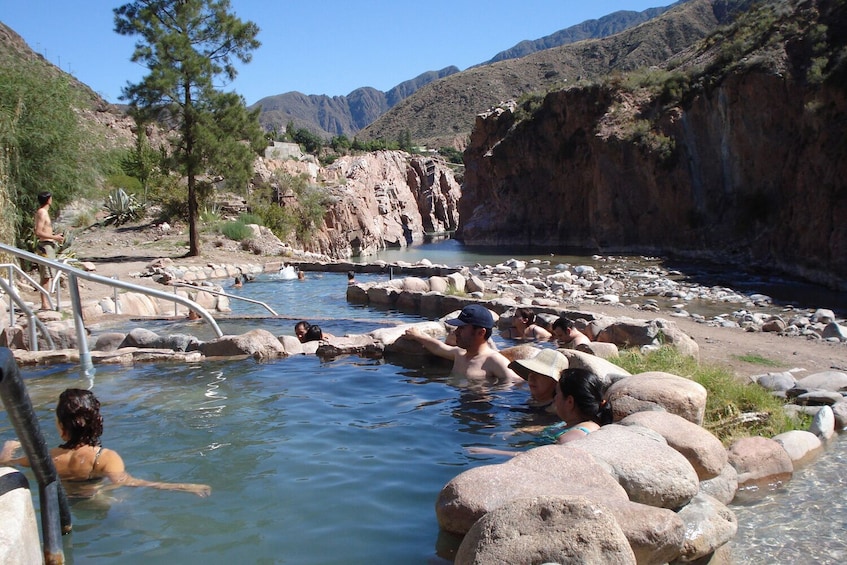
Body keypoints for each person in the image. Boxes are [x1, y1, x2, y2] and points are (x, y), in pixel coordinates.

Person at [0, 388, 210, 497]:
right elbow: (129, 482)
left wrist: (9, 447)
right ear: (97, 423)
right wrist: (184, 486)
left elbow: (5, 463)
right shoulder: (105, 458)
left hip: (65, 503)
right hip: (96, 500)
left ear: (62, 429)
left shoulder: (48, 457)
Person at [467, 367, 613, 456]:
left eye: (557, 394)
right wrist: (519, 431)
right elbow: (556, 428)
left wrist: (491, 452)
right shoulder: (579, 421)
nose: (554, 399)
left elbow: (537, 459)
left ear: (569, 402)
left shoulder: (572, 438)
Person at [404, 304, 521, 383]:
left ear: (480, 332)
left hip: (479, 414)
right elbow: (438, 347)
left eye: (462, 328)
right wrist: (417, 335)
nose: (456, 332)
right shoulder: (459, 354)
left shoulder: (494, 361)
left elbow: (517, 384)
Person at [508, 348, 568, 413]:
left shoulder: (557, 411)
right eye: (530, 372)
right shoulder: (531, 401)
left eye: (539, 373)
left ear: (555, 381)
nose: (531, 377)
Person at [33, 191, 64, 310]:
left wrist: (55, 236)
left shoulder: (45, 212)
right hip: (45, 246)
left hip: (49, 245)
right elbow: (38, 232)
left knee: (49, 274)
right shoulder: (42, 212)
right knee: (46, 275)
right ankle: (44, 303)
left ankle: (47, 300)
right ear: (48, 199)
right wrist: (55, 237)